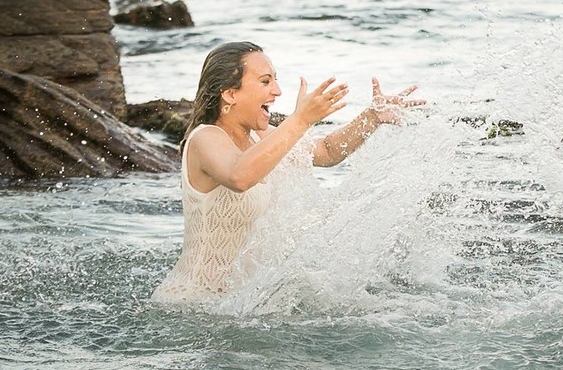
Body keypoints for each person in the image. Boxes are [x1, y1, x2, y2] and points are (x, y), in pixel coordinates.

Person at [152, 41, 424, 303]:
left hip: (236, 306)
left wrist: (371, 117)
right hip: (191, 305)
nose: (278, 91)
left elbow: (326, 151)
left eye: (275, 80)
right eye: (265, 81)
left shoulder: (261, 138)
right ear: (230, 93)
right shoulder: (205, 138)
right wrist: (300, 120)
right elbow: (240, 176)